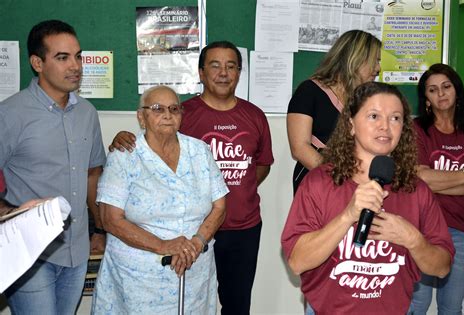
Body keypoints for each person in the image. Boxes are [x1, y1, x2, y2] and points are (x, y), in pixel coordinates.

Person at [110, 40, 274, 315]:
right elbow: (152, 145)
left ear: (238, 73)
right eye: (215, 65)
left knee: (237, 305)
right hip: (193, 231)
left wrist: (231, 189)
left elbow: (261, 165)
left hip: (242, 228)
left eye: (231, 66)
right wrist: (122, 138)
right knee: (193, 303)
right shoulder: (181, 113)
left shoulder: (255, 116)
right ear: (200, 73)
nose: (223, 73)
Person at [281, 82, 454, 314]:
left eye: (395, 118)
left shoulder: (416, 190)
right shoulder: (319, 182)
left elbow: (442, 267)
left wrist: (412, 239)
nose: (385, 126)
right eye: (374, 116)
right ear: (351, 125)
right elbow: (297, 261)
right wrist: (347, 216)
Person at [91, 85, 228, 314]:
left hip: (194, 275)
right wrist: (163, 246)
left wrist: (197, 242)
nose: (167, 115)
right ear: (141, 116)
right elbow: (110, 219)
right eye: (157, 109)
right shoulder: (124, 156)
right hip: (138, 282)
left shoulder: (199, 151)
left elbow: (220, 206)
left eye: (174, 109)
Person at [0, 20, 106, 314]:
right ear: (37, 63)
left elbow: (91, 174)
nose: (75, 66)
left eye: (78, 56)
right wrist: (7, 213)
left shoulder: (87, 113)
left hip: (76, 250)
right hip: (30, 255)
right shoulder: (10, 114)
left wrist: (98, 229)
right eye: (62, 57)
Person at [409, 63, 464, 314]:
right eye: (433, 90)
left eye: (446, 87)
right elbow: (421, 179)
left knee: (451, 306)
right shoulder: (417, 131)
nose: (441, 94)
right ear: (426, 98)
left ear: (457, 90)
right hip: (422, 227)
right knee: (418, 303)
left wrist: (438, 181)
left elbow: (431, 179)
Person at [287, 29, 381, 193]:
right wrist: (340, 179)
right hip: (317, 182)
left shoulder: (364, 98)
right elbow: (300, 148)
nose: (378, 68)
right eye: (375, 61)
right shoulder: (309, 91)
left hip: (355, 184)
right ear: (356, 59)